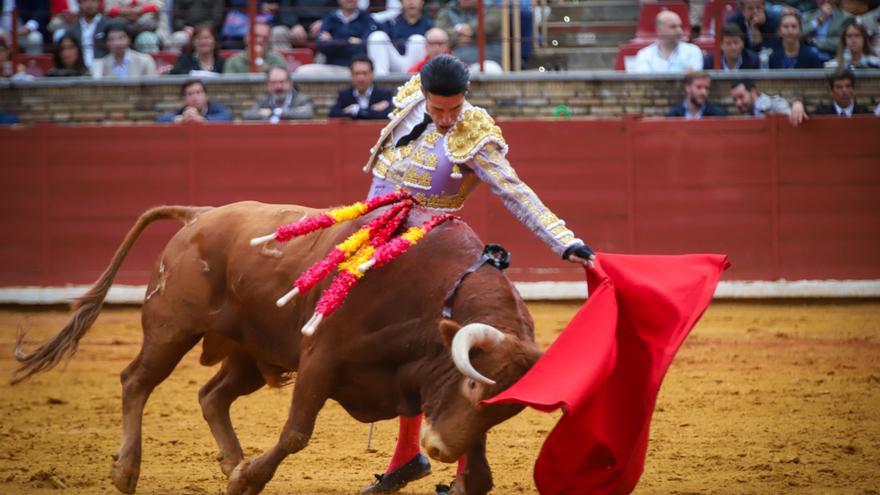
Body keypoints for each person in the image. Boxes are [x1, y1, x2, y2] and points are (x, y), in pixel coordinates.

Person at [357, 53, 595, 495]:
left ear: (466, 98)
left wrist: (565, 242)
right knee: (406, 354)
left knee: (456, 361)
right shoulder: (411, 99)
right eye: (438, 110)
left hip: (436, 252)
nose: (447, 119)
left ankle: (463, 468)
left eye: (454, 109)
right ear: (424, 94)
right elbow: (381, 174)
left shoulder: (476, 134)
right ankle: (409, 457)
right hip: (381, 241)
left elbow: (515, 192)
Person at [366, 0, 430, 75]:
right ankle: (381, 82)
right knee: (377, 37)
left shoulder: (428, 25)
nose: (411, 2)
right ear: (401, 2)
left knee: (418, 39)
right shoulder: (392, 23)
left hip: (415, 68)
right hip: (395, 61)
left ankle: (414, 83)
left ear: (422, 2)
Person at [627, 10, 703, 73]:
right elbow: (646, 83)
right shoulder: (644, 54)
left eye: (680, 26)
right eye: (673, 27)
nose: (679, 31)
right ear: (659, 30)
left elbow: (693, 83)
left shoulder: (693, 51)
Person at [435, 0, 502, 71]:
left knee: (490, 69)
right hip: (455, 62)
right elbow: (439, 32)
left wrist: (469, 30)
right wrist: (457, 38)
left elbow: (489, 26)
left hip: (487, 59)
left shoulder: (492, 8)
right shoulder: (448, 9)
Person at [316, 0, 380, 68]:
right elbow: (322, 46)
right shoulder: (330, 18)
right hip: (333, 66)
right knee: (306, 72)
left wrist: (333, 41)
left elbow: (363, 47)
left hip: (359, 69)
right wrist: (348, 41)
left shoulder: (367, 19)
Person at [328, 55, 393, 119]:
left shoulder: (384, 94)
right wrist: (371, 110)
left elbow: (389, 115)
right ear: (351, 75)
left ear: (372, 74)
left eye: (364, 73)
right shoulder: (344, 95)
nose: (361, 78)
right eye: (357, 73)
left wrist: (355, 110)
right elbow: (333, 114)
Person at [242, 66, 315, 121]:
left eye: (282, 82)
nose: (278, 87)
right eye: (274, 83)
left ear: (290, 83)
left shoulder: (301, 99)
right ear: (267, 85)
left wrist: (276, 112)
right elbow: (248, 115)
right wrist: (292, 112)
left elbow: (308, 113)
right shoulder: (262, 100)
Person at [729, 78, 808, 126]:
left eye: (741, 97)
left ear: (753, 92)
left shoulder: (775, 104)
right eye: (735, 99)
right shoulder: (747, 113)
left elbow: (793, 119)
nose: (738, 103)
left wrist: (798, 103)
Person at [91, 22, 158, 78]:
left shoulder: (145, 60)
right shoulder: (102, 63)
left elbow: (152, 88)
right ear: (107, 43)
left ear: (129, 39)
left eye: (121, 38)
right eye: (112, 39)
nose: (117, 43)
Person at [156, 79, 234, 123]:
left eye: (198, 92)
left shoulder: (215, 108)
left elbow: (229, 117)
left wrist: (202, 119)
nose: (195, 97)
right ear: (184, 99)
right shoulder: (182, 111)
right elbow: (159, 120)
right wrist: (179, 119)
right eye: (190, 94)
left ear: (206, 96)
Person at [223, 21, 287, 73]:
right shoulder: (234, 61)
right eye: (257, 36)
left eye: (265, 38)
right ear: (247, 38)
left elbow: (279, 83)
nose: (260, 40)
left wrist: (259, 60)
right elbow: (228, 86)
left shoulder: (277, 60)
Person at [61, 0, 108, 69]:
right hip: (78, 71)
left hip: (104, 70)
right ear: (79, 4)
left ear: (98, 2)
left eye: (93, 1)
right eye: (85, 1)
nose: (89, 4)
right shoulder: (71, 30)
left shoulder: (108, 25)